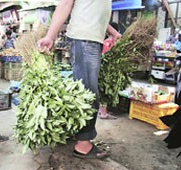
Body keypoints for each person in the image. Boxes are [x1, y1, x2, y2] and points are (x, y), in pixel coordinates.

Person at [38, 0, 121, 159]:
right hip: (84, 40)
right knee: (88, 93)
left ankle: (79, 135)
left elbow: (95, 12)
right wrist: (50, 36)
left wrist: (112, 32)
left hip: (91, 40)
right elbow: (65, 5)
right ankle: (83, 144)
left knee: (87, 90)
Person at [98, 22, 120, 119]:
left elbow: (102, 54)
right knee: (106, 92)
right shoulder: (114, 42)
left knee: (102, 90)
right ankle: (103, 113)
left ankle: (101, 111)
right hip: (109, 70)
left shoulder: (105, 41)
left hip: (102, 67)